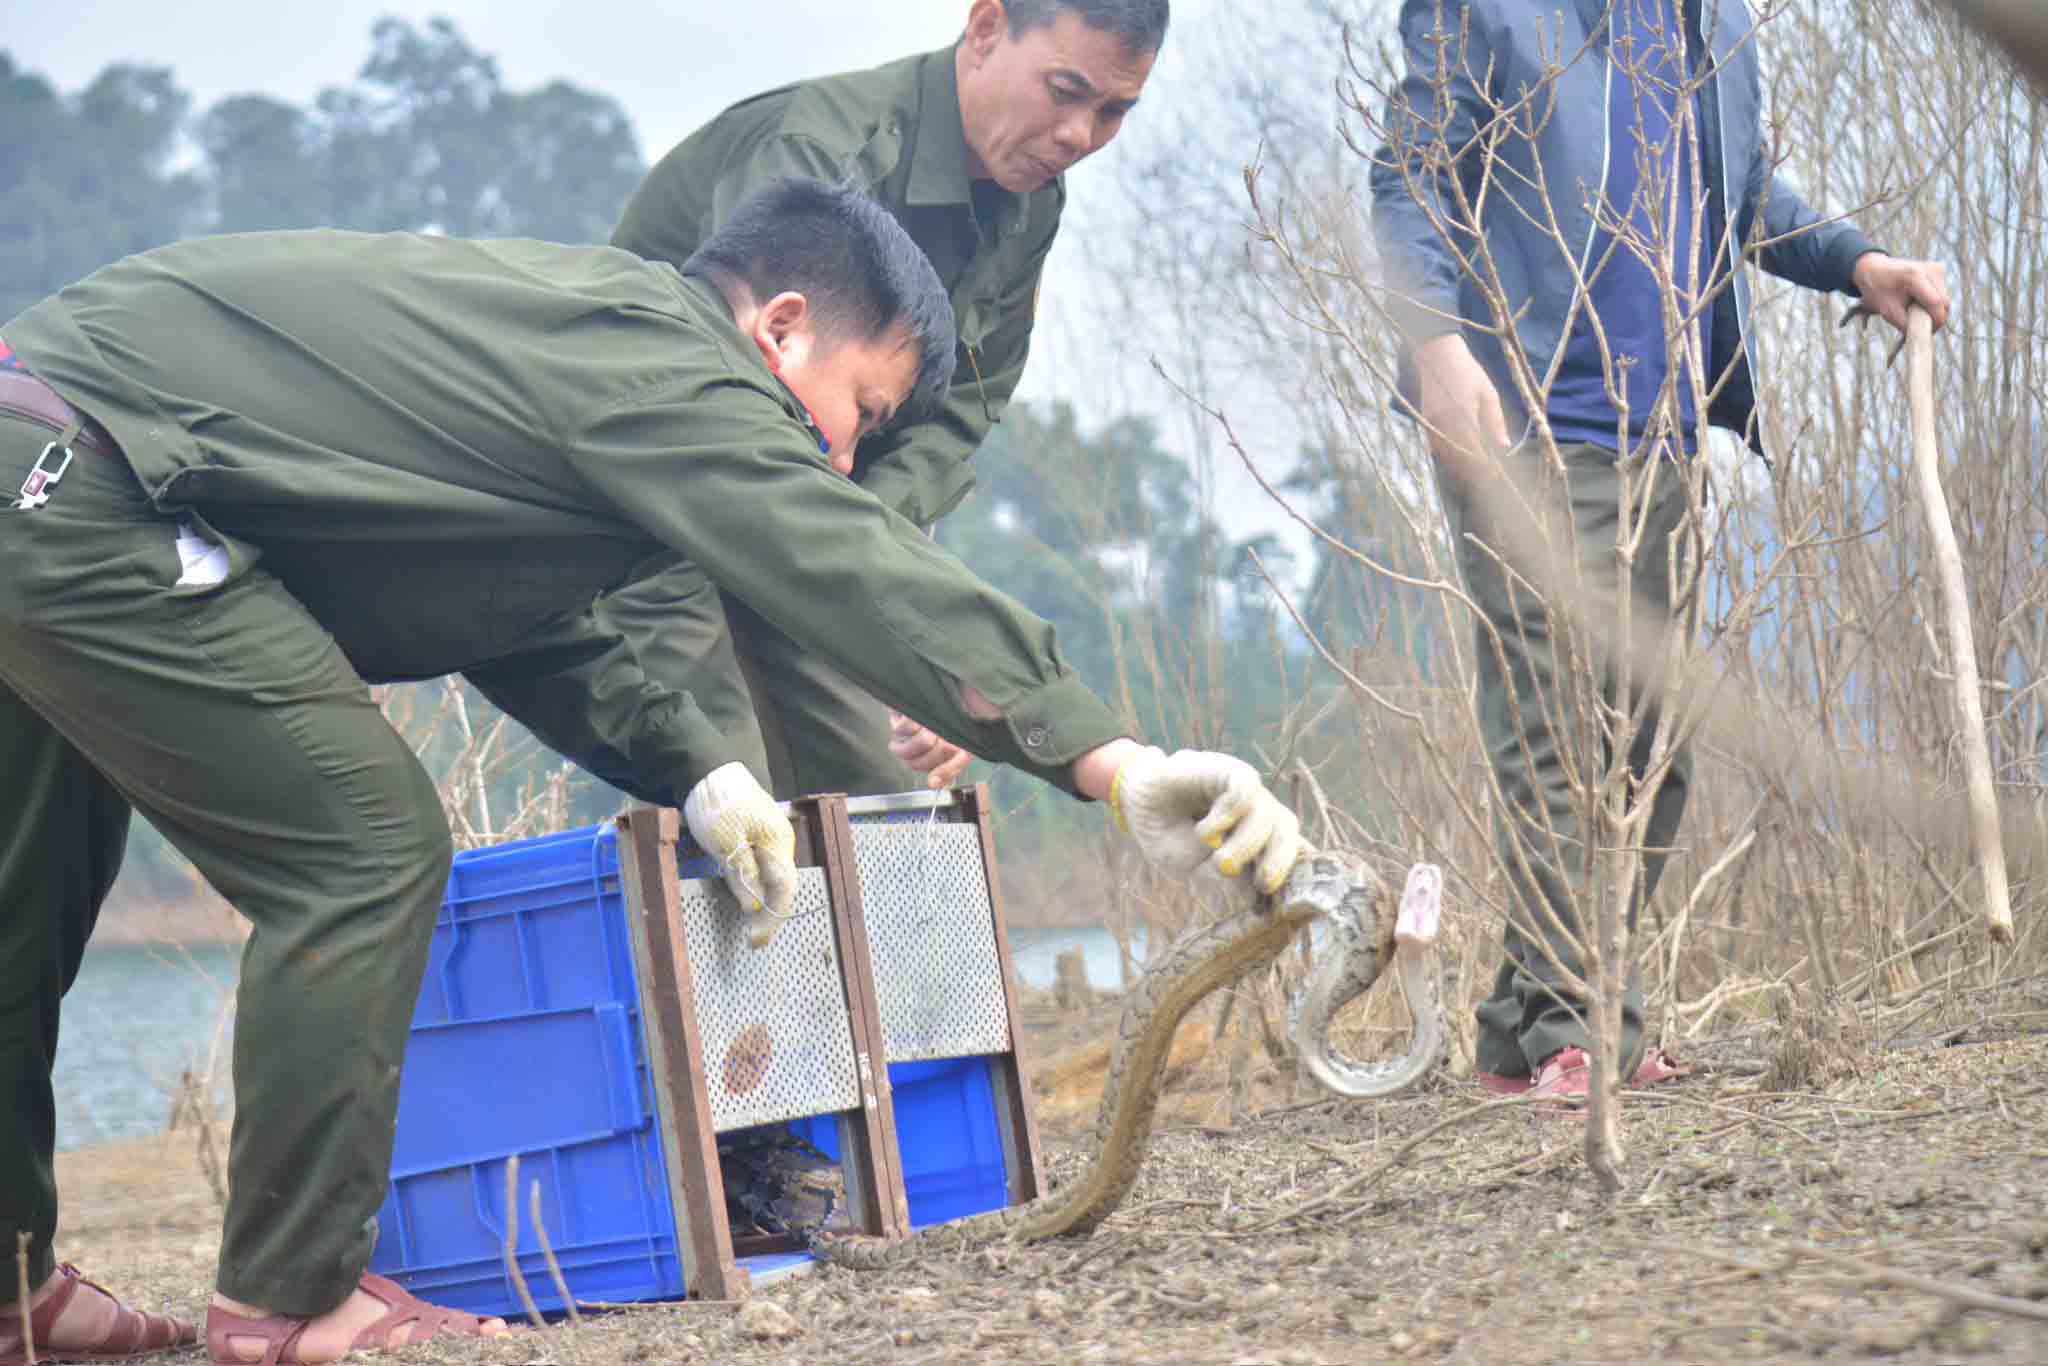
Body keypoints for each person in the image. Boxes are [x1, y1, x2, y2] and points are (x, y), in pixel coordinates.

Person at [0, 177, 1302, 1365]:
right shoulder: (665, 351)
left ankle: (7, 1282)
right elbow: (840, 556)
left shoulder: (584, 355)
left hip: (36, 447)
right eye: (862, 411)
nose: (842, 456)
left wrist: (699, 767)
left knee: (27, 896)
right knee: (364, 844)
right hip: (91, 480)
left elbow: (529, 625)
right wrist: (1104, 750)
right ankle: (286, 1298)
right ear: (782, 328)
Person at [1371, 0, 1952, 1105]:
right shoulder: (1481, 8)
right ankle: (1584, 1032)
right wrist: (1435, 347)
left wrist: (1856, 263)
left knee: (1651, 755)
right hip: (1524, 426)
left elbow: (1741, 200)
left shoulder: (1712, 25)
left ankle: (1512, 1036)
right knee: (1555, 740)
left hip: (1667, 441)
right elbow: (1407, 180)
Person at [604, 0, 1165, 803]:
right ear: (985, 30)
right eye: (1064, 90)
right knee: (724, 795)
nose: (1080, 135)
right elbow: (733, 424)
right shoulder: (818, 151)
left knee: (884, 806)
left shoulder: (1030, 199)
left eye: (1113, 111)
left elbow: (961, 413)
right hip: (660, 494)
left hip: (816, 506)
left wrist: (911, 639)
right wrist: (888, 602)